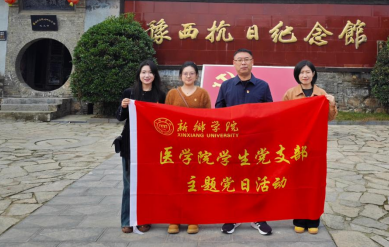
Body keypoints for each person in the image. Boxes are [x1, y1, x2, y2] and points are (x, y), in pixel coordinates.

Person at [215, 49, 273, 236]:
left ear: (252, 62)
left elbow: (270, 112)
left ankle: (258, 218)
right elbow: (218, 111)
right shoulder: (226, 86)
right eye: (239, 60)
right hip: (232, 143)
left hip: (256, 143)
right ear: (233, 63)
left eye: (246, 59)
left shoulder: (263, 86)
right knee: (233, 180)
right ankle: (232, 217)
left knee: (257, 180)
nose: (243, 63)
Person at [282, 60, 337, 235]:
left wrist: (331, 103)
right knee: (298, 182)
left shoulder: (321, 94)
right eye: (301, 72)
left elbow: (329, 117)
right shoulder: (290, 93)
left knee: (314, 181)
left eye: (308, 72)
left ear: (313, 74)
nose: (305, 75)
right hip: (296, 145)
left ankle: (313, 219)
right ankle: (299, 219)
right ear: (297, 75)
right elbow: (282, 116)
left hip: (315, 145)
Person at [116, 60, 166, 234]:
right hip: (130, 145)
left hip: (151, 147)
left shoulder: (161, 95)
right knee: (129, 184)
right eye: (144, 72)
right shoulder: (129, 93)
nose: (147, 75)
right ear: (139, 74)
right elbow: (120, 117)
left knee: (147, 185)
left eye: (150, 72)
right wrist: (123, 106)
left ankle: (144, 219)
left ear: (155, 75)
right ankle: (127, 221)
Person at [164, 61, 211, 235]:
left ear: (197, 76)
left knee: (193, 183)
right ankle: (174, 218)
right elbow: (165, 117)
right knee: (175, 182)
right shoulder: (172, 94)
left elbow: (208, 118)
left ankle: (193, 218)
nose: (189, 76)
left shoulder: (203, 93)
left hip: (196, 146)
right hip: (176, 146)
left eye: (192, 73)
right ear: (180, 76)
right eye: (185, 73)